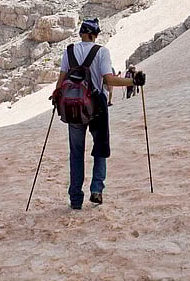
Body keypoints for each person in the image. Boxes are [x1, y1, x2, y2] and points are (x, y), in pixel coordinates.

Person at [55, 18, 144, 209]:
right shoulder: (101, 52)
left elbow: (61, 81)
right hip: (97, 107)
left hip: (73, 108)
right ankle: (96, 190)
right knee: (100, 148)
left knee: (76, 153)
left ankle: (75, 199)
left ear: (81, 33)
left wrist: (57, 100)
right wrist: (133, 82)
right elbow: (109, 80)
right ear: (95, 34)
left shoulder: (69, 51)